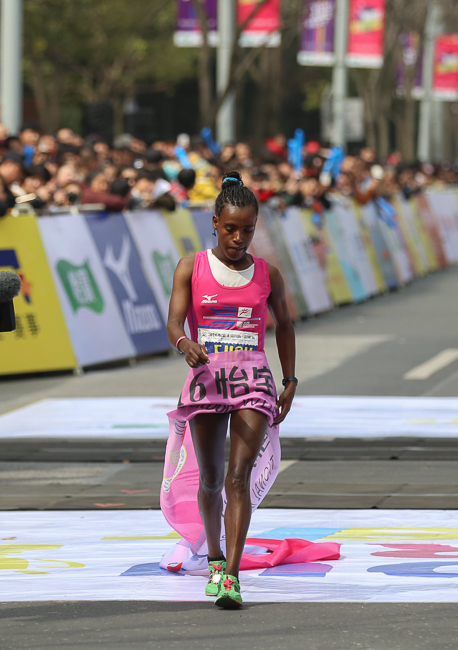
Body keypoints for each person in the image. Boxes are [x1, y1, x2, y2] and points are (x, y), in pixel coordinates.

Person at [164, 172, 298, 609]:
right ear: (215, 222)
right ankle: (216, 559)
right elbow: (174, 324)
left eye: (248, 229)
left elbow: (286, 325)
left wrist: (289, 379)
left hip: (253, 381)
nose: (239, 238)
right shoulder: (192, 266)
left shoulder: (268, 273)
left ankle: (232, 577)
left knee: (237, 479)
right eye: (231, 228)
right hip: (206, 379)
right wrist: (185, 344)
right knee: (211, 479)